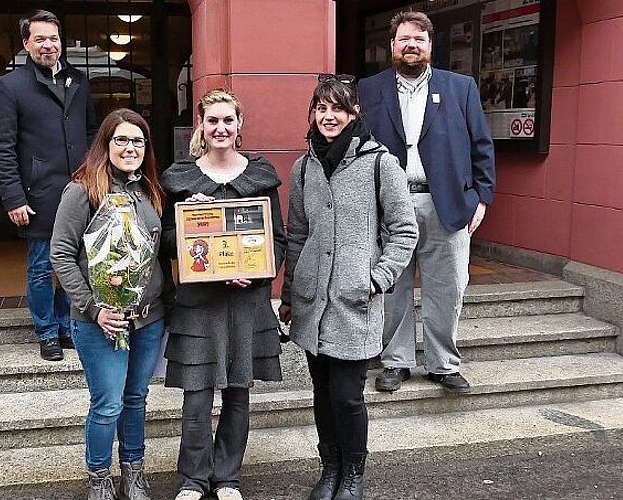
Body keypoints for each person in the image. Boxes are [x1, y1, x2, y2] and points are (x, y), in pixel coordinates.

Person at [278, 76, 418, 500]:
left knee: (347, 396)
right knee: (321, 393)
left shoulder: (380, 163)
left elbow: (404, 230)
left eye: (337, 108)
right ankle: (330, 468)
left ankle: (354, 473)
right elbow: (297, 234)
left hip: (354, 302)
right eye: (321, 108)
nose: (328, 116)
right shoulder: (304, 167)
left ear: (353, 113)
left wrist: (377, 278)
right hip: (312, 303)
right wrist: (288, 295)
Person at [357, 11, 495, 394]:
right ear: (393, 47)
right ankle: (396, 361)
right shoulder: (369, 90)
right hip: (390, 204)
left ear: (431, 46)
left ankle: (443, 364)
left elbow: (482, 145)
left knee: (447, 288)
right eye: (404, 39)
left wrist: (481, 199)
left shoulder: (460, 87)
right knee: (393, 287)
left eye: (418, 39)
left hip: (447, 204)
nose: (411, 45)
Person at [160, 88, 286, 500]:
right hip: (199, 304)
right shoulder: (182, 177)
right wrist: (191, 221)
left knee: (237, 392)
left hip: (246, 302)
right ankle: (195, 479)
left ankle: (228, 477)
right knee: (196, 398)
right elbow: (164, 241)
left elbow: (278, 240)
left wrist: (259, 274)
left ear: (239, 125)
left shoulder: (260, 175)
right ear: (201, 124)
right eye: (212, 120)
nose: (220, 128)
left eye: (227, 120)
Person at [50, 109, 166, 500]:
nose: (130, 147)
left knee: (136, 399)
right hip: (100, 321)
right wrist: (92, 307)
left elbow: (158, 248)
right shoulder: (82, 190)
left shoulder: (150, 189)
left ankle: (134, 472)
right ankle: (99, 477)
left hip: (148, 319)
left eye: (138, 141)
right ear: (105, 144)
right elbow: (61, 254)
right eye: (121, 140)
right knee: (107, 404)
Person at [0, 9, 97, 361]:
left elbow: (92, 133)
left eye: (53, 38)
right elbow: (2, 148)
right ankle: (47, 331)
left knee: (77, 262)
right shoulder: (10, 87)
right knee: (42, 267)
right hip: (38, 194)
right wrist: (13, 198)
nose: (48, 45)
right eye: (40, 39)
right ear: (26, 43)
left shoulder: (78, 81)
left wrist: (96, 177)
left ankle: (68, 325)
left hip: (80, 191)